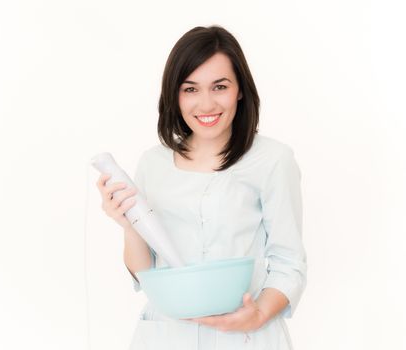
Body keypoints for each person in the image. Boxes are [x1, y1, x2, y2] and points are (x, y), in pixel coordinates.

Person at [96, 25, 307, 350]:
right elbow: (146, 273)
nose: (206, 104)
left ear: (239, 89)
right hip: (166, 337)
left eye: (219, 86)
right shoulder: (153, 163)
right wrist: (128, 226)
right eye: (190, 89)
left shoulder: (272, 160)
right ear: (174, 94)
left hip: (247, 337)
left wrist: (258, 314)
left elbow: (289, 264)